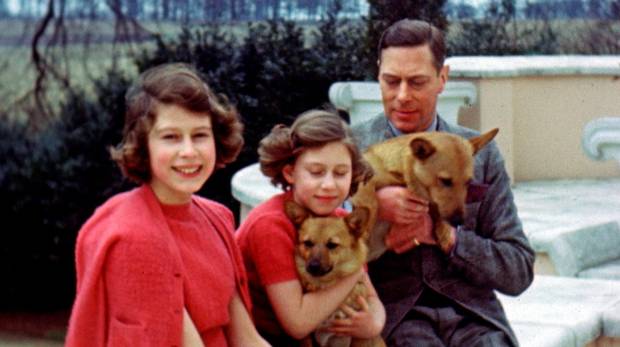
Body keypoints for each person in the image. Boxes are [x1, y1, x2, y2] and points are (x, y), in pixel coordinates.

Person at [351, 19, 535, 346]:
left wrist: (448, 239)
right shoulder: (348, 151)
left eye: (417, 82)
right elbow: (317, 251)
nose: (402, 96)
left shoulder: (480, 154)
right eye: (391, 81)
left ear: (442, 79)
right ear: (377, 75)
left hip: (475, 319)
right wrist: (373, 208)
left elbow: (518, 269)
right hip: (396, 321)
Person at [65, 63, 270, 347]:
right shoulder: (135, 238)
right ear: (143, 145)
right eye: (171, 137)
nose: (188, 151)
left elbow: (247, 339)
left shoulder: (217, 217)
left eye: (199, 135)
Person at [235, 109, 386, 346]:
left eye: (340, 173)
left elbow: (373, 300)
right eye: (316, 172)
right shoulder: (269, 226)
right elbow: (297, 324)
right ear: (290, 172)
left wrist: (373, 323)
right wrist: (354, 273)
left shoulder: (341, 221)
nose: (328, 184)